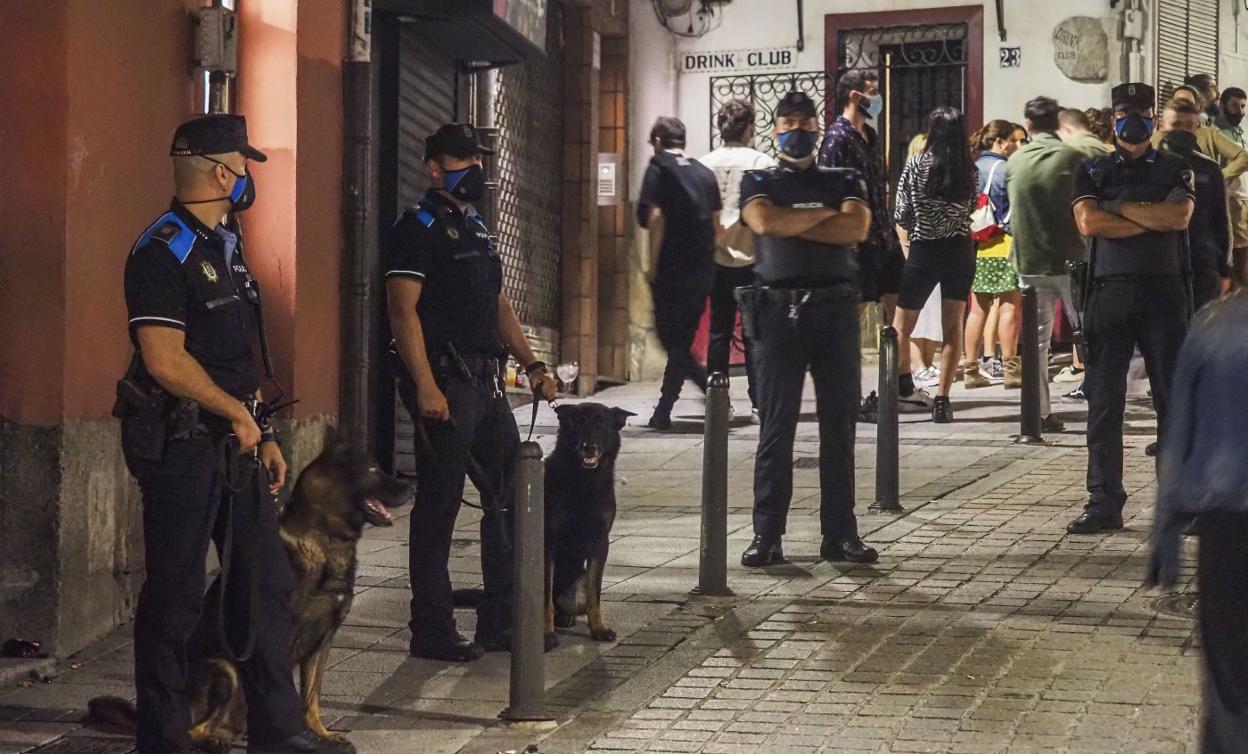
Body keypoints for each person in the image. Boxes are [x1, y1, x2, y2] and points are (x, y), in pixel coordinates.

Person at [118, 115, 349, 754]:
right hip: (182, 446)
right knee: (177, 596)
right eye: (242, 165)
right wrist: (235, 414)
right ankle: (162, 738)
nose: (248, 177)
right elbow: (165, 358)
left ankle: (278, 730)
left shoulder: (227, 242)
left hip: (238, 444)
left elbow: (235, 355)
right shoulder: (162, 250)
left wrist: (262, 428)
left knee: (266, 585)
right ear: (223, 172)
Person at [386, 123, 557, 661]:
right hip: (447, 382)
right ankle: (431, 628)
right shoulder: (415, 227)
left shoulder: (478, 228)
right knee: (438, 506)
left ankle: (501, 619)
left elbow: (499, 304)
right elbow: (401, 311)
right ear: (434, 168)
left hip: (485, 383)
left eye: (478, 158)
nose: (473, 168)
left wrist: (532, 364)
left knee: (509, 496)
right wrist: (426, 386)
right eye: (462, 160)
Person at [736, 91, 877, 567]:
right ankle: (767, 536)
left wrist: (791, 221)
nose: (796, 128)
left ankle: (840, 536)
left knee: (840, 429)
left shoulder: (846, 177)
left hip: (835, 311)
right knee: (777, 430)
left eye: (804, 121)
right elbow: (761, 219)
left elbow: (855, 230)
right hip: (777, 314)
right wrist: (824, 216)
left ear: (818, 127)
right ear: (774, 129)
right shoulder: (758, 179)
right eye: (787, 121)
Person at [1067, 82, 1194, 534]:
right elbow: (1088, 222)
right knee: (1104, 403)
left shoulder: (1176, 168)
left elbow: (1177, 219)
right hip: (1107, 293)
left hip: (1164, 295)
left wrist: (1117, 210)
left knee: (1172, 401)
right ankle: (1103, 501)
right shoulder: (1092, 170)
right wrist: (1145, 216)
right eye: (1125, 112)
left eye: (1141, 112)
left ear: (1153, 120)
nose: (1133, 120)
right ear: (1113, 117)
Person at [1148, 290, 1248, 752]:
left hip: (1226, 526)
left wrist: (1166, 532)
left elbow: (1180, 429)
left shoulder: (1214, 323)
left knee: (1228, 682)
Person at [1007, 96, 1089, 434]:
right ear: (1056, 123)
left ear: (1028, 125)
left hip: (1030, 261)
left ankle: (1039, 413)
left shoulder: (1015, 160)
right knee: (1089, 336)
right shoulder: (1073, 157)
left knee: (1036, 343)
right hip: (1071, 259)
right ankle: (1101, 405)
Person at [892, 107, 979, 422]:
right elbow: (971, 206)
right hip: (959, 250)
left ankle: (902, 382)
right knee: (952, 326)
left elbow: (901, 211)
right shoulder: (969, 170)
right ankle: (943, 399)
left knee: (902, 324)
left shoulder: (915, 164)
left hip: (924, 249)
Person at [637, 116, 722, 430]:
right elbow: (717, 226)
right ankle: (663, 410)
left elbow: (656, 217)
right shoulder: (704, 173)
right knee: (682, 342)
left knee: (668, 338)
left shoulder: (659, 168)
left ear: (658, 140)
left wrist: (653, 265)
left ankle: (710, 386)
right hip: (702, 272)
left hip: (673, 270)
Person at [699, 100, 776, 419]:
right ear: (748, 128)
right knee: (754, 333)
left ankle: (719, 400)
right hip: (754, 260)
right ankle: (759, 402)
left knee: (719, 331)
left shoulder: (703, 165)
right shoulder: (762, 162)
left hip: (717, 259)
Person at [818, 69, 905, 325]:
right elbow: (830, 191)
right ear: (855, 96)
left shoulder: (871, 136)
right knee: (851, 315)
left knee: (900, 309)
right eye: (873, 93)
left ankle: (897, 366)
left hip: (882, 236)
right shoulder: (836, 139)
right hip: (858, 241)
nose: (878, 99)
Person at [962, 120, 1023, 390]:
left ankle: (970, 370)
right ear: (1000, 142)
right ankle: (1011, 370)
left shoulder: (970, 169)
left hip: (977, 246)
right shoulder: (1006, 169)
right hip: (1004, 243)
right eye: (1014, 141)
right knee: (1009, 306)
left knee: (977, 310)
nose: (1017, 146)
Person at [1157, 97, 1232, 309]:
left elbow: (1221, 220)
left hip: (1202, 262)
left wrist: (1223, 269)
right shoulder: (1148, 166)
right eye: (1176, 125)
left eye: (1189, 126)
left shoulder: (1209, 168)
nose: (1183, 131)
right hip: (1159, 266)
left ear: (1197, 126)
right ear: (1162, 126)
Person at [1152, 86, 1248, 183]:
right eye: (1178, 103)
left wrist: (1218, 177)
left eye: (1187, 104)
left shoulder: (1209, 133)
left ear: (1197, 107)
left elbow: (1244, 156)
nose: (1182, 108)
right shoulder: (1158, 137)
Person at [1214, 87, 1248, 287]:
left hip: (1243, 199)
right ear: (1223, 105)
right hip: (1231, 198)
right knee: (1239, 256)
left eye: (1243, 106)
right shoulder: (1218, 132)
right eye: (1235, 105)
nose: (1241, 111)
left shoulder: (1239, 132)